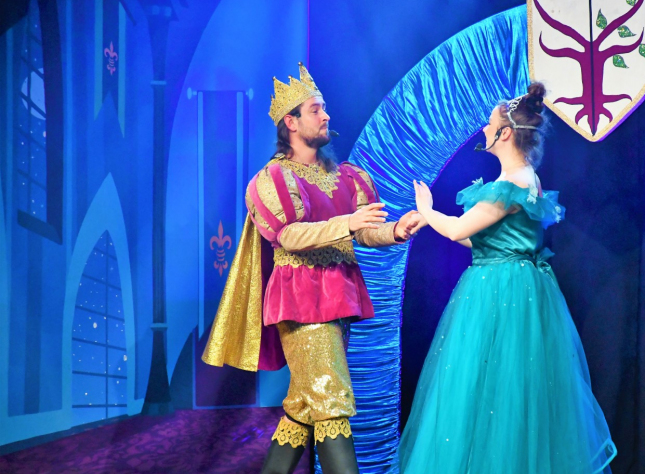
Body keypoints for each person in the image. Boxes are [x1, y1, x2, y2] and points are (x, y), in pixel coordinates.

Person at [201, 63, 421, 474]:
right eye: (316, 110)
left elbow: (363, 231)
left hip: (339, 297)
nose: (326, 116)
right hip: (302, 301)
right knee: (331, 398)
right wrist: (347, 223)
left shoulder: (349, 177)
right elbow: (287, 235)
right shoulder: (272, 179)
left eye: (324, 108)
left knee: (306, 405)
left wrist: (395, 231)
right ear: (291, 121)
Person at [397, 83, 617, 473]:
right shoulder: (524, 179)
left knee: (495, 389)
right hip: (511, 284)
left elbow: (458, 229)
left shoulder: (512, 184)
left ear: (505, 133)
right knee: (498, 392)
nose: (484, 129)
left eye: (490, 123)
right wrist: (433, 221)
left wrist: (426, 209)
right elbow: (480, 240)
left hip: (500, 293)